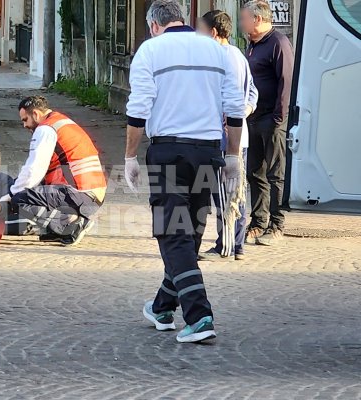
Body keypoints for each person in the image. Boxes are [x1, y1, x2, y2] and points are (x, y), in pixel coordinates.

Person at [124, 0, 245, 343]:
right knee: (190, 233)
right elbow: (234, 107)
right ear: (183, 19)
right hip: (208, 152)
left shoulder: (150, 51)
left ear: (153, 25)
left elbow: (138, 108)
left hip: (168, 152)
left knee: (174, 233)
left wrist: (130, 155)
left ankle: (199, 315)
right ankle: (162, 305)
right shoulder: (217, 50)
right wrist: (233, 154)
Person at [0, 96, 107, 246]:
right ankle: (59, 227)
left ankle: (69, 226)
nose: (24, 125)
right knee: (29, 190)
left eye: (25, 120)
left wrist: (11, 195)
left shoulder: (45, 129)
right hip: (90, 194)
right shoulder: (60, 122)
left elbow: (34, 169)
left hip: (79, 194)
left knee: (20, 199)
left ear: (36, 114)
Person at [197, 10, 258, 262]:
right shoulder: (239, 55)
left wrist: (236, 114)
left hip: (226, 138)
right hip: (235, 135)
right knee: (234, 190)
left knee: (226, 193)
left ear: (213, 32)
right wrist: (246, 110)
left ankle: (229, 245)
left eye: (200, 30)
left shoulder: (222, 57)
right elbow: (253, 91)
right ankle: (236, 243)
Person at [240, 0, 294, 246]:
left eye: (245, 19)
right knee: (254, 173)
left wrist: (278, 118)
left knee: (275, 173)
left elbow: (286, 83)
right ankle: (258, 222)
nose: (242, 23)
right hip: (252, 119)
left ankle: (276, 224)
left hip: (272, 119)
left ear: (258, 20)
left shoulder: (278, 43)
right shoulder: (252, 45)